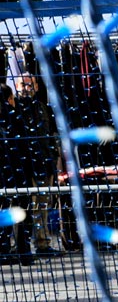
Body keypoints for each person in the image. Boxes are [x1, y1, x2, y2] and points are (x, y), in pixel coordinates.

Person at [14, 75, 59, 257]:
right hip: (26, 165)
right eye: (22, 85)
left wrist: (55, 159)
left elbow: (50, 134)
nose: (26, 88)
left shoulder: (42, 107)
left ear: (37, 87)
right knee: (27, 206)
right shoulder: (14, 108)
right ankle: (21, 247)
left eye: (29, 85)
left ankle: (43, 244)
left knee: (43, 205)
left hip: (45, 163)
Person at [0, 83, 32, 265]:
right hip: (19, 171)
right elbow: (25, 146)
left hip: (5, 173)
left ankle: (4, 249)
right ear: (10, 98)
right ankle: (23, 251)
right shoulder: (15, 117)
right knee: (22, 211)